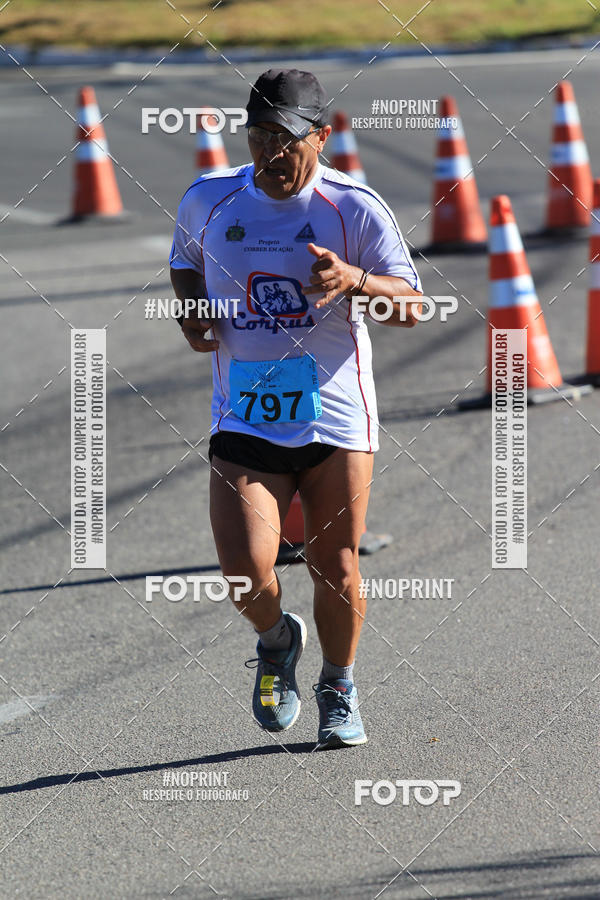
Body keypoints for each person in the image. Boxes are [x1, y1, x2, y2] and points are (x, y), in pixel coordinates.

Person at [170, 68, 422, 749]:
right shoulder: (209, 201)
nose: (270, 155)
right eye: (257, 137)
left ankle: (338, 685)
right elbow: (186, 262)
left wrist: (355, 280)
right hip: (244, 415)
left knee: (335, 564)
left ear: (322, 135)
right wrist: (192, 312)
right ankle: (277, 641)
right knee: (244, 573)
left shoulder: (355, 208)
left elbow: (413, 308)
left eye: (284, 139)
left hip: (334, 419)